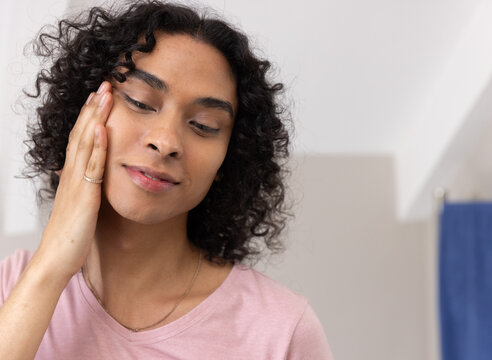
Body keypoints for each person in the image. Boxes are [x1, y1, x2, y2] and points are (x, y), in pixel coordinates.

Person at [0, 1, 333, 359]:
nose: (166, 142)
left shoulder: (280, 332)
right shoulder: (11, 286)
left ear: (228, 158)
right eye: (141, 102)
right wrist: (51, 267)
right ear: (83, 111)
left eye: (204, 125)